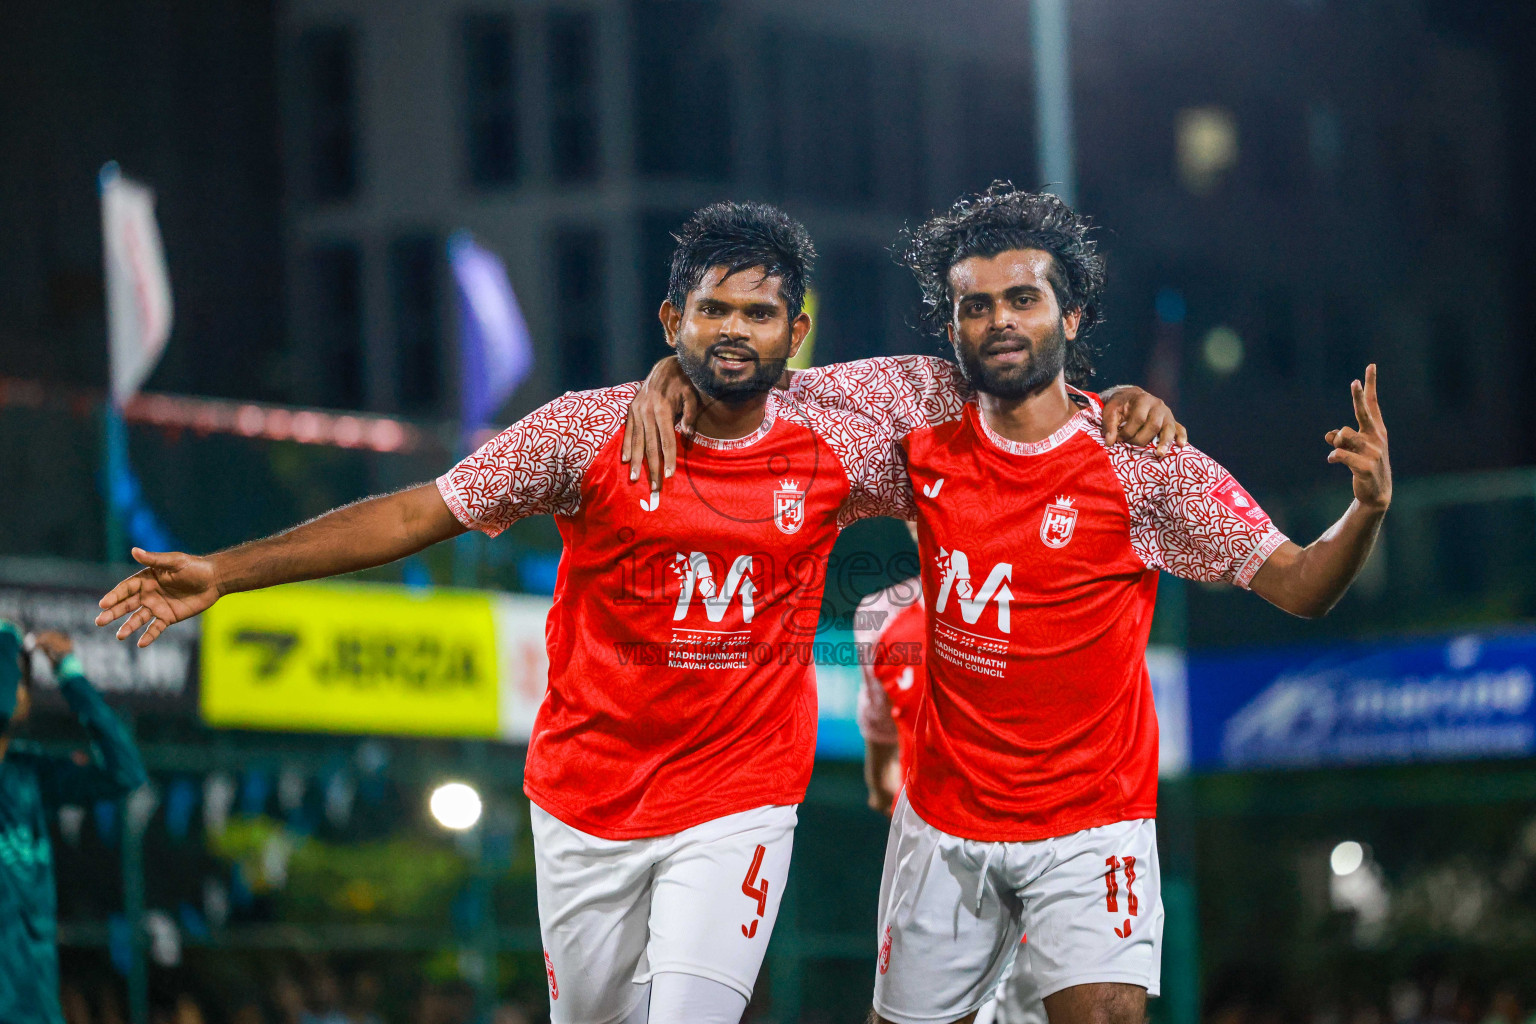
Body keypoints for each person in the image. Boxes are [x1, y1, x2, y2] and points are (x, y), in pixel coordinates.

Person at [95, 202, 1175, 1024]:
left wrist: (1112, 404)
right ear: (673, 319)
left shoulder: (845, 432)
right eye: (712, 311)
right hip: (584, 797)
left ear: (797, 331)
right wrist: (228, 570)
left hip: (740, 795)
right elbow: (418, 512)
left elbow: (1014, 388)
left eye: (761, 313)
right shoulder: (582, 432)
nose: (737, 331)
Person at [625, 183, 1391, 1024]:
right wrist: (668, 372)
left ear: (1071, 317)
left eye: (1023, 299)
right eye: (974, 305)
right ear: (952, 324)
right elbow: (755, 377)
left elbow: (1302, 585)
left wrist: (1367, 510)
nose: (998, 320)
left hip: (1092, 823)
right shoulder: (919, 415)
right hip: (944, 821)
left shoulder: (1144, 464)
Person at [0, 623, 148, 1024]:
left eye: (20, 676)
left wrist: (69, 674)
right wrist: (8, 640)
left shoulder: (29, 773)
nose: (16, 686)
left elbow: (125, 772)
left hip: (37, 1010)